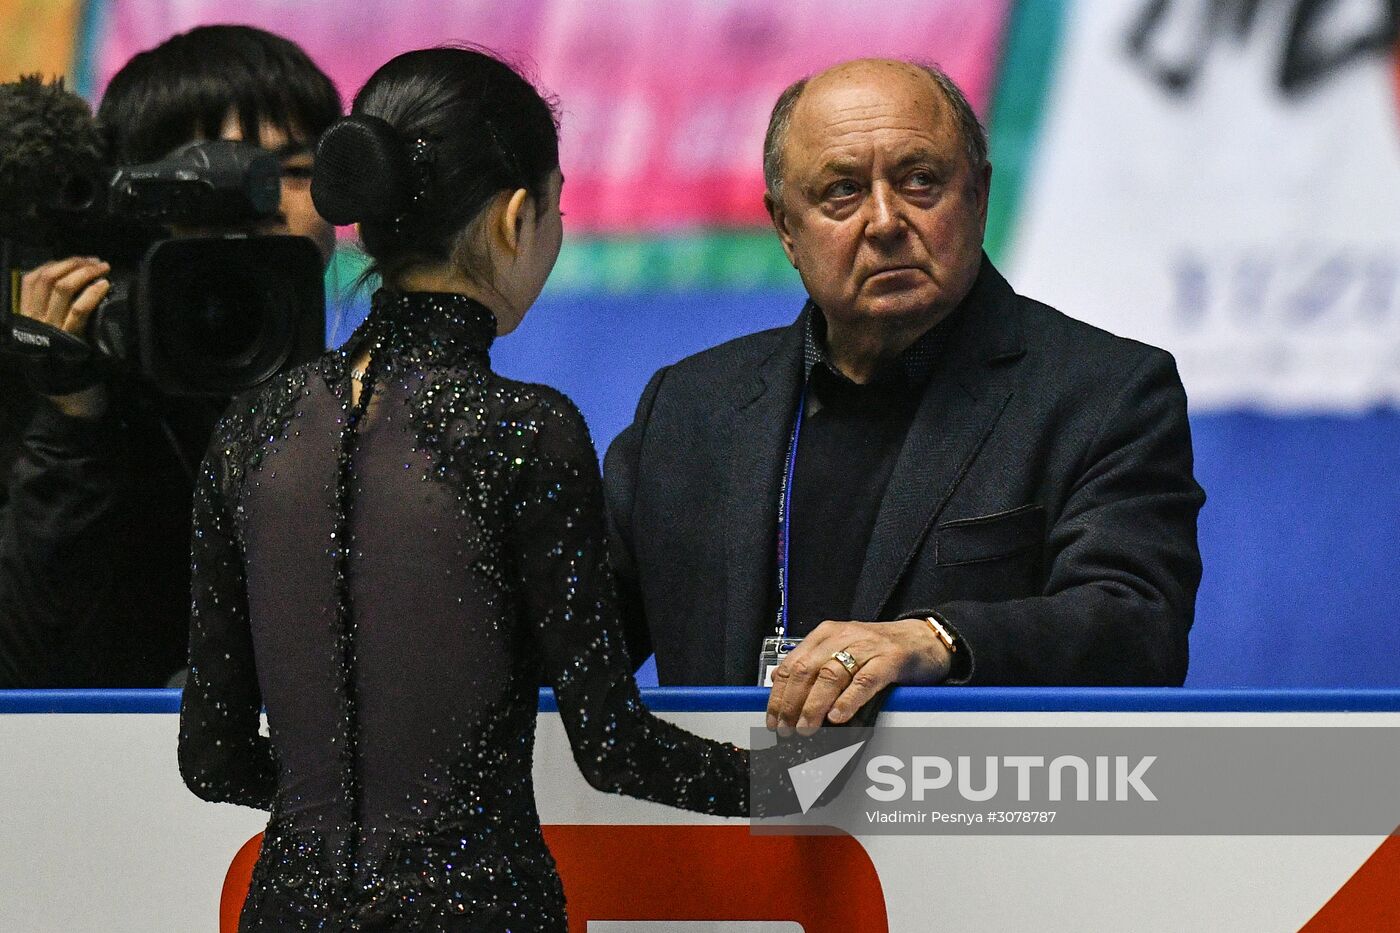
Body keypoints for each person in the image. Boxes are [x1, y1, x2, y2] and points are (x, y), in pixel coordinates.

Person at [177, 47, 749, 931]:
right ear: (518, 218)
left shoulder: (250, 429)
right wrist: (798, 781)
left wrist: (338, 799)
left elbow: (211, 759)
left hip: (287, 907)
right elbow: (613, 747)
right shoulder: (524, 431)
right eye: (559, 210)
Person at [603, 59, 1206, 729]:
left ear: (978, 195)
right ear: (786, 229)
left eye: (920, 180)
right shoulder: (690, 410)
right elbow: (565, 649)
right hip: (726, 795)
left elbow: (1136, 626)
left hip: (978, 795)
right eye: (842, 191)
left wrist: (938, 641)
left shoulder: (1103, 393)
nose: (885, 221)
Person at [0, 25, 339, 687]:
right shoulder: (61, 387)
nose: (265, 201)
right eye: (219, 173)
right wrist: (71, 420)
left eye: (297, 171)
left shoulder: (362, 400)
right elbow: (25, 670)